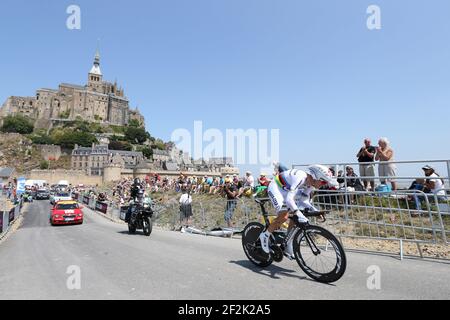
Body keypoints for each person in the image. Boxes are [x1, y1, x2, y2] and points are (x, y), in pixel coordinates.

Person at [259, 165, 338, 258]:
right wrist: (298, 213)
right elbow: (289, 200)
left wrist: (315, 211)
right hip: (276, 188)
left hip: (286, 189)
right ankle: (265, 235)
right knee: (284, 215)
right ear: (316, 177)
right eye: (324, 181)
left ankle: (288, 244)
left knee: (296, 215)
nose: (324, 184)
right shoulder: (301, 177)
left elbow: (304, 201)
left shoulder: (311, 185)